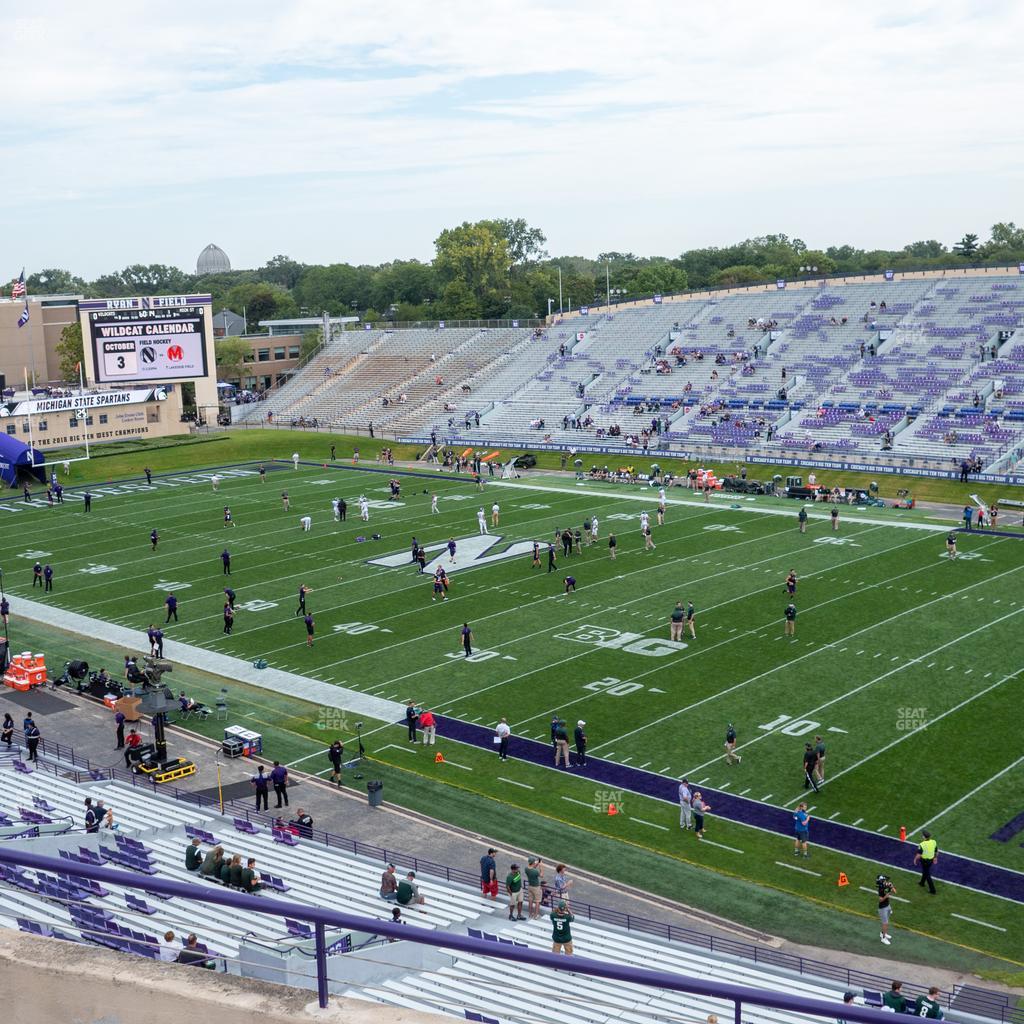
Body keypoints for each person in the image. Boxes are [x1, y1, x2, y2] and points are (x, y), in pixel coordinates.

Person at [876, 875, 897, 945]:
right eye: (884, 880)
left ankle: (882, 933)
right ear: (882, 882)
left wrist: (891, 886)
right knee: (885, 923)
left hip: (887, 906)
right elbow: (880, 900)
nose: (886, 881)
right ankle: (883, 938)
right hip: (882, 908)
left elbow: (895, 891)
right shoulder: (880, 889)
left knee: (887, 920)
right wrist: (886, 896)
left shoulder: (886, 886)